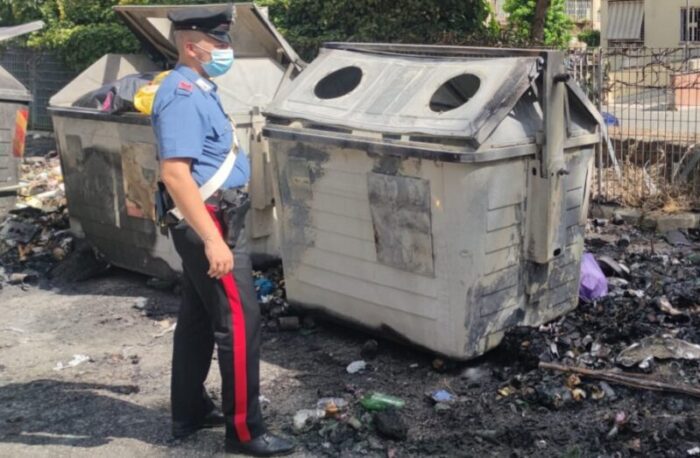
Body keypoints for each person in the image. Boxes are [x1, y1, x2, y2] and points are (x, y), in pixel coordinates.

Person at [150, 5, 294, 457]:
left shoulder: (199, 88)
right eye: (220, 42)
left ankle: (189, 411)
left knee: (196, 319)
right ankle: (245, 432)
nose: (227, 49)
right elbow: (175, 175)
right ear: (192, 46)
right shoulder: (182, 94)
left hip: (218, 217)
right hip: (211, 223)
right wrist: (213, 240)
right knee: (239, 322)